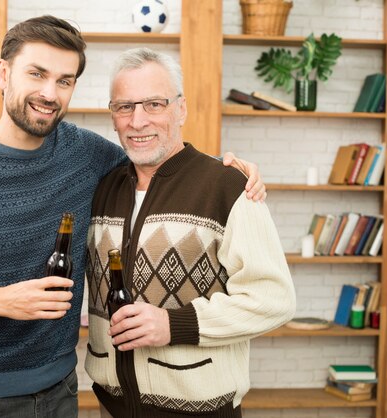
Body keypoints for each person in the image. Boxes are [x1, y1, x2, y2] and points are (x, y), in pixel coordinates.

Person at [0, 16, 266, 418]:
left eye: (64, 81)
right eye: (37, 74)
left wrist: (225, 168)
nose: (50, 93)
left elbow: (157, 153)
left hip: (63, 391)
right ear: (3, 73)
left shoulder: (87, 154)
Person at [83, 48, 296, 418]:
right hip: (111, 408)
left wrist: (173, 324)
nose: (137, 121)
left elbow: (274, 298)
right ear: (112, 116)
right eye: (124, 107)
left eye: (154, 104)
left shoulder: (228, 187)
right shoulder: (101, 188)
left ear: (180, 108)